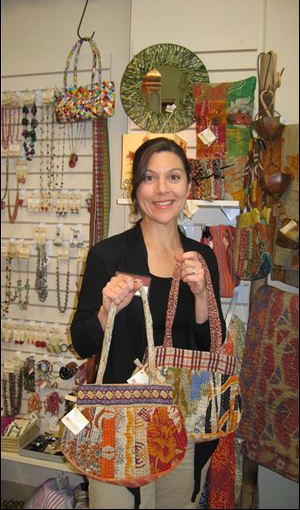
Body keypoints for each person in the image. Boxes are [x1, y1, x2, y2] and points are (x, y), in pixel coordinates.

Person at [71, 137, 226, 509]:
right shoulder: (108, 255)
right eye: (149, 178)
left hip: (184, 420)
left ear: (188, 186)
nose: (161, 190)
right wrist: (107, 310)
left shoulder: (202, 256)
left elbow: (211, 348)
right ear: (135, 187)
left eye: (173, 177)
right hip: (117, 424)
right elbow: (82, 342)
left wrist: (202, 295)